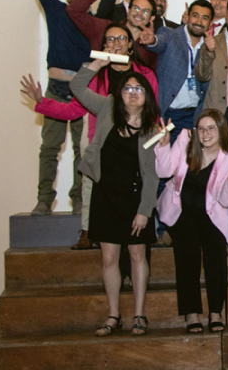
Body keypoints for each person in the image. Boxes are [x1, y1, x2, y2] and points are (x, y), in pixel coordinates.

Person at [21, 24, 158, 251]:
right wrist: (41, 102)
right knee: (90, 184)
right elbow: (73, 109)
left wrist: (157, 137)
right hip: (101, 141)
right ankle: (88, 231)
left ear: (130, 45)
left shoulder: (145, 75)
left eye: (122, 38)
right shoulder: (96, 75)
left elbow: (154, 109)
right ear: (104, 45)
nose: (116, 43)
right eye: (111, 39)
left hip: (137, 141)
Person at [69, 58, 160, 337]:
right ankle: (113, 315)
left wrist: (145, 211)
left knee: (136, 254)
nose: (133, 92)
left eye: (139, 89)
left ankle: (139, 315)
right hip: (105, 194)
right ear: (119, 93)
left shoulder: (152, 129)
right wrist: (98, 63)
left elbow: (152, 175)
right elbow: (77, 85)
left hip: (135, 198)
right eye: (128, 88)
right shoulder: (107, 108)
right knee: (109, 258)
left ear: (147, 96)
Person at [15, 0, 89, 216]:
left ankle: (79, 200)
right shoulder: (56, 10)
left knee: (81, 150)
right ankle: (44, 199)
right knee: (49, 148)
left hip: (83, 91)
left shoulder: (94, 20)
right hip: (56, 89)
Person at [154, 110, 228, 333]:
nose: (205, 134)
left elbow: (225, 200)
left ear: (221, 130)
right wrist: (163, 146)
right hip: (181, 210)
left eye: (211, 128)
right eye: (201, 129)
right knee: (187, 255)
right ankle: (191, 313)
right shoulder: (186, 142)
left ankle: (216, 312)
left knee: (216, 255)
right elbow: (164, 171)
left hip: (212, 213)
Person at [138, 0, 214, 134]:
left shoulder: (210, 45)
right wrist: (152, 41)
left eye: (204, 18)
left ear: (210, 24)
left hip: (197, 115)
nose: (199, 21)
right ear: (187, 17)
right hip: (170, 115)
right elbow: (159, 42)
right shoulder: (170, 34)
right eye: (195, 15)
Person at [67, 0, 158, 68]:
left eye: (145, 11)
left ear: (152, 18)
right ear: (128, 10)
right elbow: (73, 10)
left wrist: (152, 43)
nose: (139, 13)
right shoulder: (102, 28)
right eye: (136, 8)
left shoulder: (151, 45)